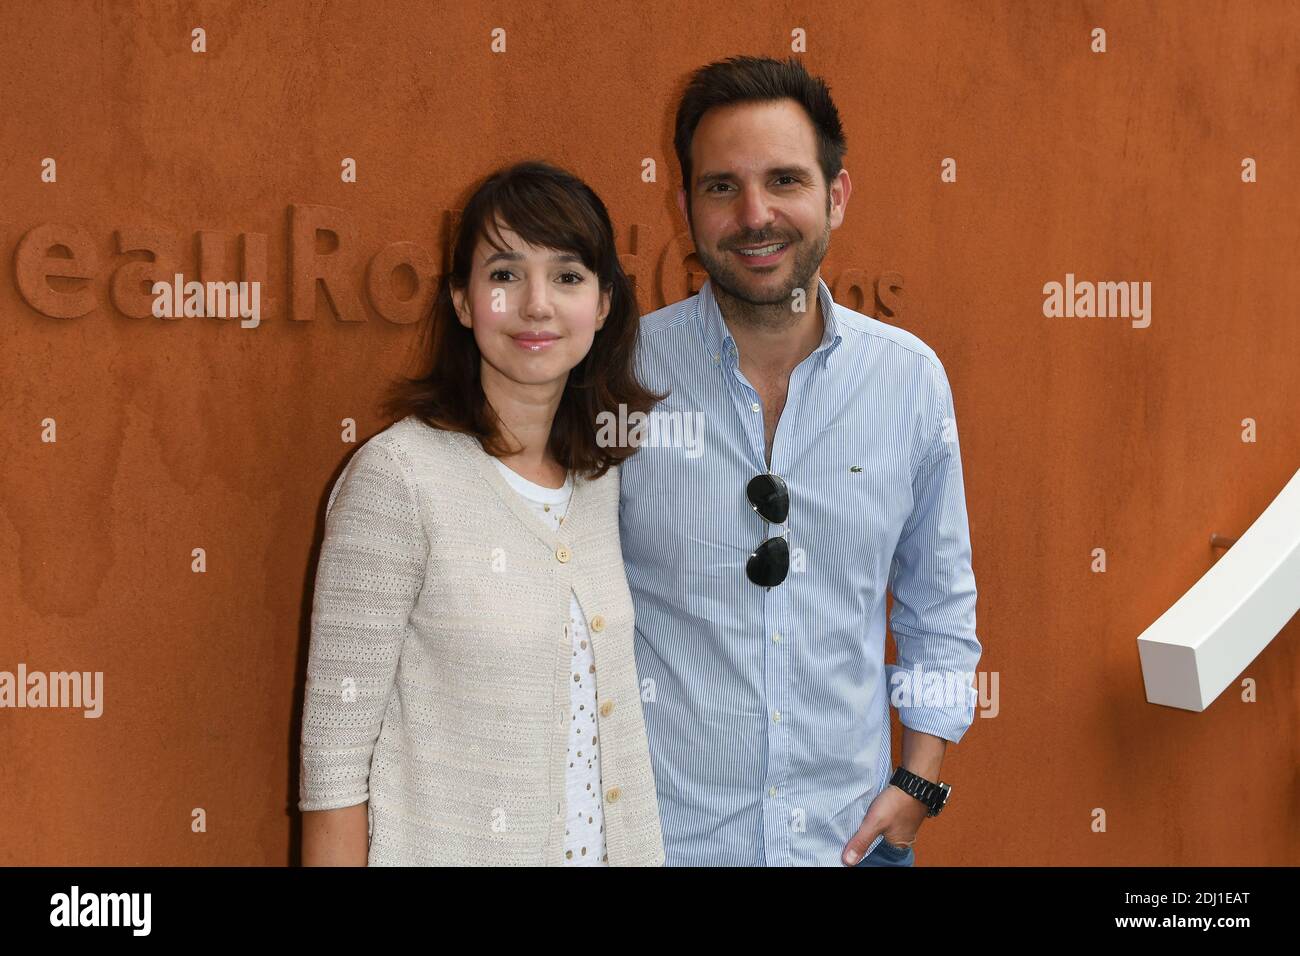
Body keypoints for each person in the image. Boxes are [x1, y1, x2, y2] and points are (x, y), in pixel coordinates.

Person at [619, 55, 982, 866]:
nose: (755, 214)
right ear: (684, 208)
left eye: (785, 179)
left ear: (835, 196)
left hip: (850, 845)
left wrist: (919, 782)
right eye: (722, 187)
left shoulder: (908, 381)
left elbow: (939, 605)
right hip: (664, 844)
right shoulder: (621, 379)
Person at [298, 160, 666, 866]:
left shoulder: (598, 482)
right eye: (503, 274)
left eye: (567, 276)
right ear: (463, 302)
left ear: (605, 304)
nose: (536, 305)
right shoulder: (399, 478)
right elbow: (334, 767)